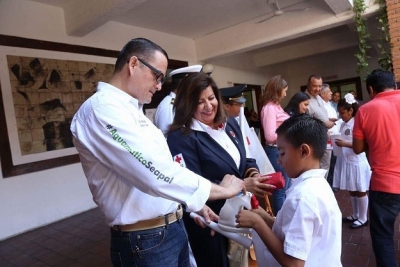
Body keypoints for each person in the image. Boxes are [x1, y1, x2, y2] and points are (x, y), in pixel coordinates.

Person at [70, 38, 246, 267]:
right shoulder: (101, 110)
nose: (160, 85)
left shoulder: (131, 110)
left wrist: (195, 206)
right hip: (145, 239)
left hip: (170, 226)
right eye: (157, 76)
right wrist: (221, 190)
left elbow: (164, 170)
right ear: (133, 64)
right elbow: (153, 173)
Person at [166, 72, 275, 267]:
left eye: (211, 98)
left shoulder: (230, 124)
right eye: (200, 102)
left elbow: (246, 159)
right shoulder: (181, 137)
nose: (209, 106)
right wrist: (241, 185)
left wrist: (254, 176)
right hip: (211, 222)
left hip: (238, 216)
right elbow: (189, 184)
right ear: (187, 104)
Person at [235, 114, 342, 267]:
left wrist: (257, 223)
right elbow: (292, 230)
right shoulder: (317, 185)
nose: (279, 160)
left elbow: (294, 263)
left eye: (283, 152)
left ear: (304, 151)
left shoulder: (302, 197)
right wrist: (265, 218)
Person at [353, 69, 400, 267]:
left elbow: (357, 148)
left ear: (371, 90)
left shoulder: (365, 110)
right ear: (395, 85)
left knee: (383, 237)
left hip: (385, 184)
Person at [333, 93, 371, 229]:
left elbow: (361, 144)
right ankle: (355, 214)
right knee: (352, 189)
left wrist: (345, 144)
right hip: (348, 160)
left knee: (360, 189)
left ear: (351, 110)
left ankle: (363, 217)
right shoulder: (344, 123)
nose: (341, 115)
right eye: (339, 113)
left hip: (356, 161)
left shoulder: (356, 123)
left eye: (343, 113)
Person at [260, 75, 291, 215]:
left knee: (286, 188)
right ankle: (280, 222)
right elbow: (270, 136)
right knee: (280, 190)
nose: (285, 94)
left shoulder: (276, 107)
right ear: (277, 90)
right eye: (284, 90)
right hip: (275, 151)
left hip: (282, 150)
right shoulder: (269, 108)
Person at [154, 65, 202, 136]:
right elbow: (169, 140)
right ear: (184, 86)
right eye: (192, 86)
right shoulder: (169, 107)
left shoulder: (179, 104)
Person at [305, 75, 335, 179]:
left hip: (325, 139)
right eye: (315, 86)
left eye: (319, 86)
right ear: (308, 85)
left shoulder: (318, 97)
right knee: (317, 170)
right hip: (314, 142)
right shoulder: (305, 99)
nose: (318, 89)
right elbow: (305, 122)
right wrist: (324, 124)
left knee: (325, 167)